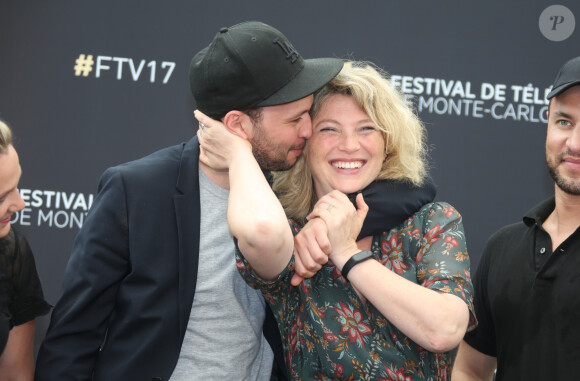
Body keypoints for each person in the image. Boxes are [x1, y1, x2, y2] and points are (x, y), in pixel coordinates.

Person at [35, 22, 435, 380]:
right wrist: (240, 156)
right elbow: (74, 334)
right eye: (294, 119)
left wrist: (318, 223)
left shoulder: (287, 184)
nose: (309, 130)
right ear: (237, 125)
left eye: (308, 114)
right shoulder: (138, 189)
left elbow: (410, 190)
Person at [196, 60, 476, 380]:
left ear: (388, 143)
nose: (349, 145)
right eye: (329, 129)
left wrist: (345, 251)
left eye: (366, 128)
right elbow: (260, 233)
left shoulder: (432, 222)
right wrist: (237, 153)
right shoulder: (289, 235)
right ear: (305, 142)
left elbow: (444, 330)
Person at [451, 56, 580, 380]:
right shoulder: (503, 248)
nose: (574, 144)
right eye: (564, 122)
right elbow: (470, 369)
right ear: (548, 123)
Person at [0, 120, 51, 380]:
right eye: (1, 197)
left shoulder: (12, 254)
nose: (19, 204)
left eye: (17, 186)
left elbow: (14, 374)